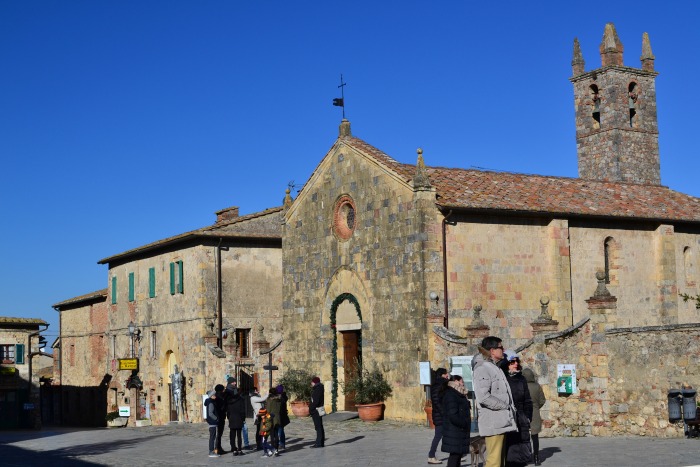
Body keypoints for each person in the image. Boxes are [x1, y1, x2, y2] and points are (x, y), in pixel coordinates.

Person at [472, 336, 518, 467]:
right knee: (494, 462)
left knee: (499, 462)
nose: (503, 350)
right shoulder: (482, 368)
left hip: (500, 421)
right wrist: (504, 406)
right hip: (493, 423)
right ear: (492, 350)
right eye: (501, 347)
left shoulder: (494, 367)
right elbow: (483, 397)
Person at [499, 352, 533, 467]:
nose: (516, 364)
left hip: (521, 419)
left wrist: (527, 417)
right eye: (512, 362)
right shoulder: (502, 378)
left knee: (522, 455)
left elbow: (528, 400)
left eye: (517, 361)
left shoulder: (521, 378)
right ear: (507, 364)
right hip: (508, 418)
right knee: (510, 452)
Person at [440, 375, 471, 467]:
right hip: (455, 430)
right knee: (455, 455)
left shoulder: (458, 393)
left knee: (457, 455)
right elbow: (452, 415)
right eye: (462, 382)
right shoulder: (451, 394)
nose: (463, 384)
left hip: (458, 430)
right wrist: (464, 423)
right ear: (456, 382)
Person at [523, 368, 546, 466]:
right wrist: (536, 407)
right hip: (535, 413)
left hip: (524, 413)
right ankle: (536, 458)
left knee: (525, 437)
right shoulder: (537, 387)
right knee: (535, 437)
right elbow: (542, 400)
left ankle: (526, 456)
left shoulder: (522, 386)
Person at [428, 367, 451, 464]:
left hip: (441, 414)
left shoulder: (439, 384)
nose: (447, 375)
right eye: (446, 374)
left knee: (449, 434)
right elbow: (437, 401)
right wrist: (444, 413)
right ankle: (431, 456)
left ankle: (455, 454)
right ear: (442, 375)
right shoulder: (440, 384)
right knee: (438, 435)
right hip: (440, 415)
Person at [225, 377, 246, 456]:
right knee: (239, 435)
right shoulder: (240, 400)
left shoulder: (229, 401)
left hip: (232, 418)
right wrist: (243, 418)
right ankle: (240, 450)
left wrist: (229, 417)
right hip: (239, 418)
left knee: (232, 435)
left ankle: (234, 450)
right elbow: (242, 411)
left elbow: (228, 411)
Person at [204, 390, 221, 458]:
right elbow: (210, 413)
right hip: (213, 422)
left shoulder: (210, 401)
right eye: (214, 395)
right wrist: (216, 418)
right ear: (211, 396)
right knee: (212, 437)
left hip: (212, 422)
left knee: (212, 437)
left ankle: (212, 451)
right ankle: (211, 451)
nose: (215, 396)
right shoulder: (211, 403)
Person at [309, 376, 325, 448]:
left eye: (312, 382)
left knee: (318, 427)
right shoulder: (319, 388)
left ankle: (319, 443)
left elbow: (316, 401)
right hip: (317, 409)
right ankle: (321, 442)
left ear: (315, 382)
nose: (311, 383)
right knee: (320, 426)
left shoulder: (318, 389)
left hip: (316, 410)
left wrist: (311, 408)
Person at [266, 387, 282, 456]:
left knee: (272, 435)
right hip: (277, 418)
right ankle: (277, 449)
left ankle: (273, 449)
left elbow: (268, 410)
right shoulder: (279, 400)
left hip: (271, 418)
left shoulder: (270, 400)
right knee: (276, 434)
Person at [276, 385, 290, 451]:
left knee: (280, 430)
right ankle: (281, 444)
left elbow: (280, 408)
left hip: (280, 416)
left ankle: (281, 444)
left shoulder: (281, 398)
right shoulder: (283, 397)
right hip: (282, 416)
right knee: (281, 430)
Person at [213, 384, 226, 454]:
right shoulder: (219, 398)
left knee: (219, 434)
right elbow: (221, 408)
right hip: (220, 417)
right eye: (223, 389)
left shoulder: (217, 396)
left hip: (220, 417)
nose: (224, 390)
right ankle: (217, 448)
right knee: (219, 434)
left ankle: (218, 447)